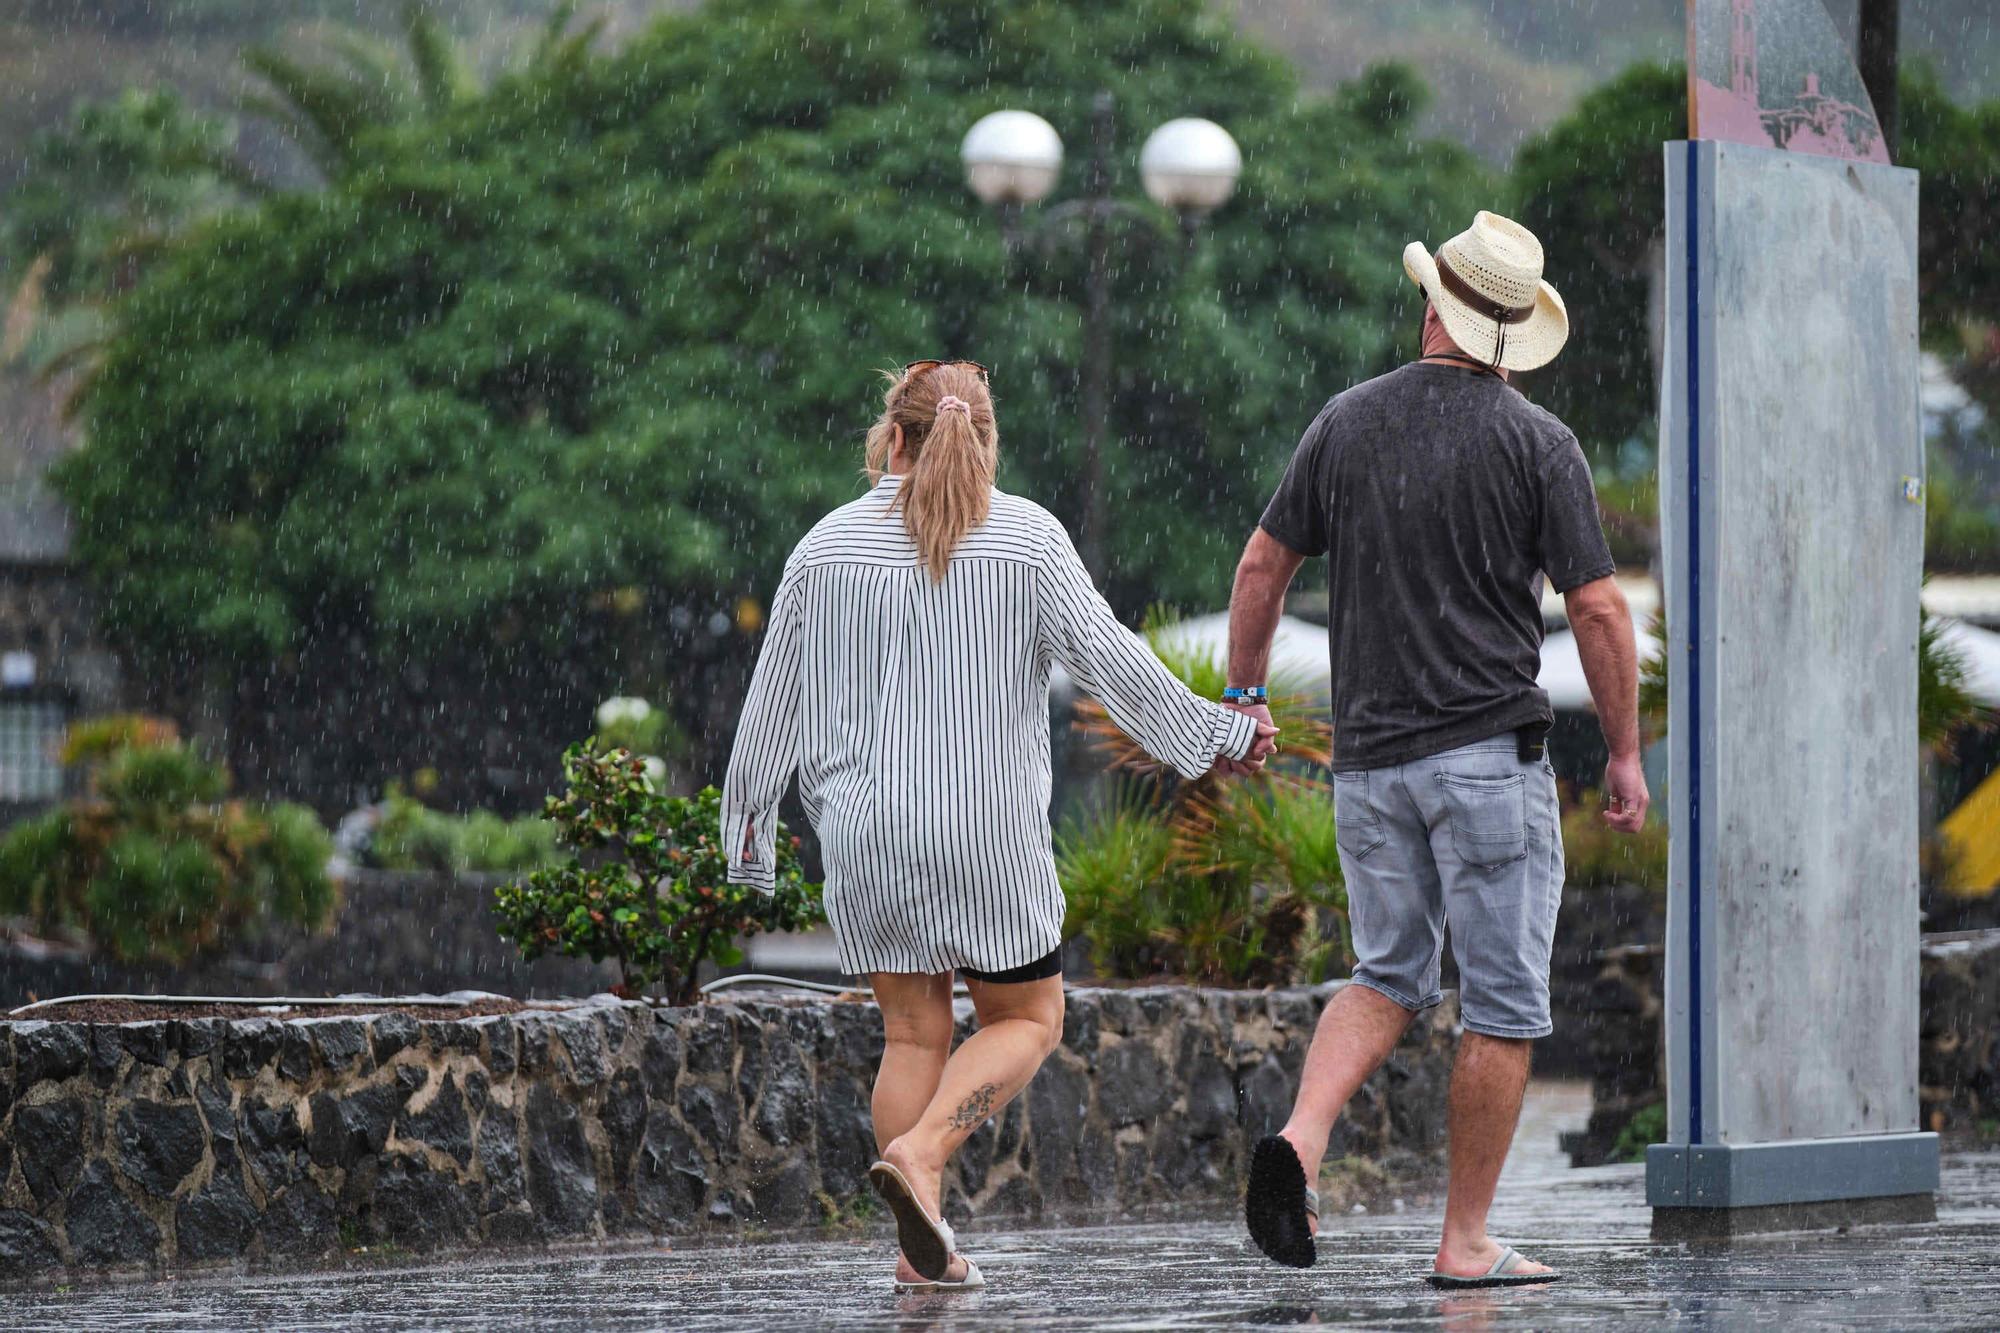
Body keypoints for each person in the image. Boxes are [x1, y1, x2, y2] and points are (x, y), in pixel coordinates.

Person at [722, 359, 1277, 1292]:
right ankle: (927, 1155)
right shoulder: (1027, 538)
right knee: (1029, 1015)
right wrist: (1216, 733)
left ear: (891, 441)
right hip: (986, 833)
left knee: (911, 1035)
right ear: (984, 442)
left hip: (867, 834)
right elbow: (1114, 664)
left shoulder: (821, 548)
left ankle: (917, 1252)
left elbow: (770, 705)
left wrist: (747, 843)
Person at [1224, 212, 1649, 1288]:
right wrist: (1623, 751)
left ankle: (1302, 1139)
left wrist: (1242, 693)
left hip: (1368, 762)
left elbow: (1260, 568)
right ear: (1509, 336)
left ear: (1431, 307)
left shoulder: (1342, 422)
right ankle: (1463, 1243)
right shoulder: (1535, 441)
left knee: (1385, 973)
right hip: (1485, 762)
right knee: (1500, 1004)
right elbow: (1597, 611)